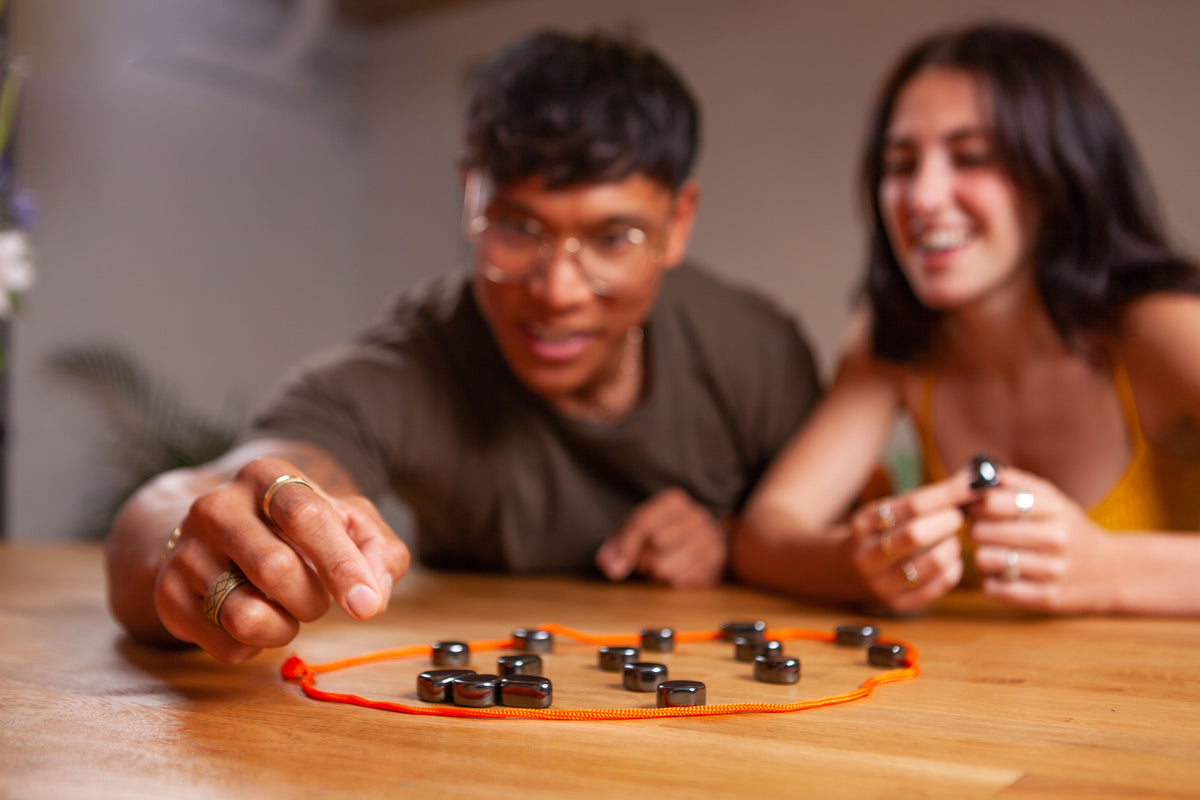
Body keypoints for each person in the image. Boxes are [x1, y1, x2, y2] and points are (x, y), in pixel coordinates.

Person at [106, 30, 821, 663]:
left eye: (610, 239)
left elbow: (842, 530)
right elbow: (188, 501)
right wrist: (197, 546)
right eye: (516, 227)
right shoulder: (410, 367)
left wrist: (732, 540)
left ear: (679, 221)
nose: (558, 290)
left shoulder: (756, 351)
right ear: (469, 198)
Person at [732, 21, 1200, 616]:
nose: (923, 197)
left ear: (1060, 175)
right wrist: (862, 563)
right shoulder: (895, 342)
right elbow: (765, 534)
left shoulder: (1163, 327)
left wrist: (1105, 569)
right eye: (901, 165)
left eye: (972, 157)